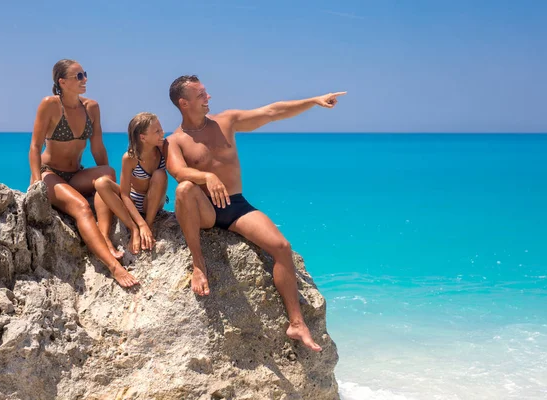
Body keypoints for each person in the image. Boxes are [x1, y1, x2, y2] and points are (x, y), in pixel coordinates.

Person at [166, 75, 346, 351]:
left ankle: (297, 324)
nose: (208, 97)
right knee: (184, 189)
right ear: (184, 103)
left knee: (281, 246)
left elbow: (272, 112)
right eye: (201, 94)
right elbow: (177, 172)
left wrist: (313, 101)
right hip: (204, 210)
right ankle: (199, 265)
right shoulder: (175, 141)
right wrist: (205, 176)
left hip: (236, 205)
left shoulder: (227, 121)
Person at [28, 59, 139, 288]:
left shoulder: (91, 107)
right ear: (62, 82)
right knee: (81, 208)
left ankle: (105, 237)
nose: (84, 79)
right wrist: (37, 183)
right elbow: (35, 147)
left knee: (107, 172)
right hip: (50, 174)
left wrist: (107, 185)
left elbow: (97, 148)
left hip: (75, 173)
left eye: (84, 74)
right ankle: (114, 267)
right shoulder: (50, 105)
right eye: (78, 76)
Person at [94, 112, 168, 254]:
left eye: (161, 129)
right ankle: (134, 229)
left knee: (160, 174)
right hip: (133, 202)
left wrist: (146, 225)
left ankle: (149, 224)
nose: (162, 133)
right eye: (157, 131)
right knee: (101, 183)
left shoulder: (163, 149)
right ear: (143, 137)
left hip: (152, 203)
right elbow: (125, 194)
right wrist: (137, 226)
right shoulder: (130, 158)